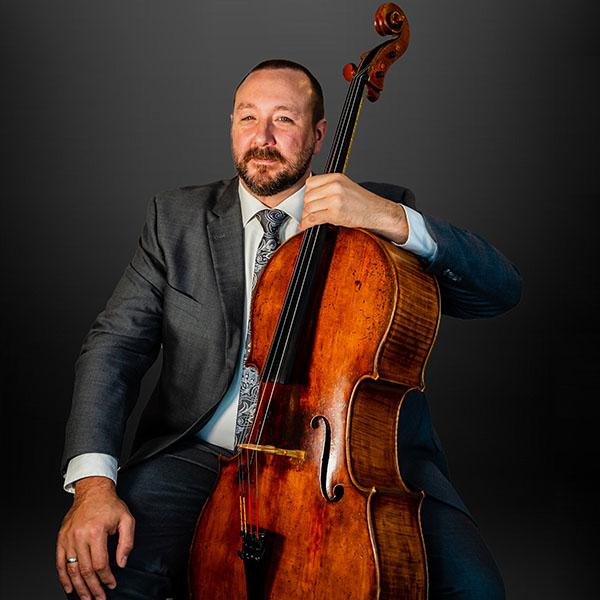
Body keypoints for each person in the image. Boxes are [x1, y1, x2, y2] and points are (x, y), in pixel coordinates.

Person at [56, 59, 521, 600]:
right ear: (230, 124)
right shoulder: (175, 218)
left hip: (351, 465)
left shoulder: (373, 214)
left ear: (319, 134)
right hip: (202, 455)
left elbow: (499, 291)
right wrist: (92, 485)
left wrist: (394, 220)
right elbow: (113, 347)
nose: (263, 137)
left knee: (474, 592)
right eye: (248, 118)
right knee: (104, 574)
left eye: (284, 120)